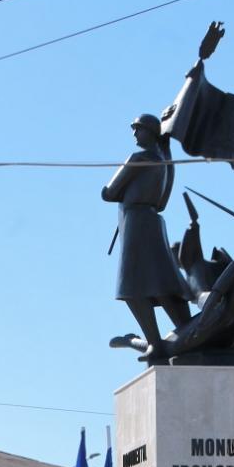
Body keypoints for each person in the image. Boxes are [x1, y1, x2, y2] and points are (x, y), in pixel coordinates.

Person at [103, 111, 192, 356]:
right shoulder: (165, 164)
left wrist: (121, 190)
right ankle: (183, 328)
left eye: (138, 128)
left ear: (151, 132)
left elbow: (108, 193)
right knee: (160, 280)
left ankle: (153, 340)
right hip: (152, 220)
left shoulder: (138, 157)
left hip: (136, 221)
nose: (134, 133)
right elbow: (162, 203)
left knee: (131, 285)